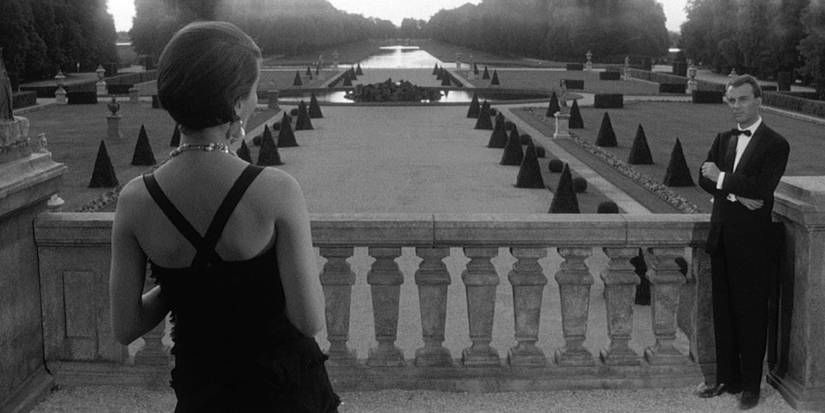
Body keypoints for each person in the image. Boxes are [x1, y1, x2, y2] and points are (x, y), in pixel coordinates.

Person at [109, 21, 340, 412]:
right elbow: (308, 318)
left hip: (203, 392)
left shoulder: (135, 199)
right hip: (284, 389)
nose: (254, 100)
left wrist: (188, 283)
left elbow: (127, 326)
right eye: (252, 90)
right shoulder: (274, 189)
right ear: (235, 103)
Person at [696, 74, 789, 410]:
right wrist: (736, 192)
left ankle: (751, 386)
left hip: (752, 244)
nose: (736, 106)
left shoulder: (776, 144)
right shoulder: (724, 138)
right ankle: (726, 378)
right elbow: (701, 178)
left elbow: (762, 190)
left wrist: (721, 179)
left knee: (751, 314)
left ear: (759, 100)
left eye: (743, 99)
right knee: (723, 313)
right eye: (731, 100)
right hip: (722, 237)